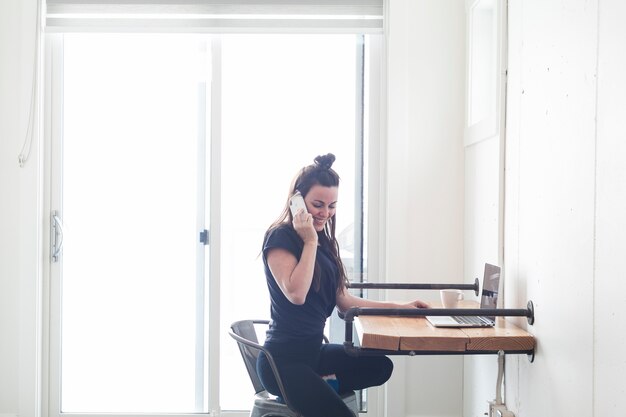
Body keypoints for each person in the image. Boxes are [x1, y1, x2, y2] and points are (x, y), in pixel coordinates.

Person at [256, 153, 429, 417]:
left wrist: (400, 307)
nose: (325, 213)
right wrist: (310, 241)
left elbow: (344, 300)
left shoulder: (324, 243)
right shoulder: (280, 237)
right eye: (317, 204)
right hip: (282, 362)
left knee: (380, 367)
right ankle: (315, 393)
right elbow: (296, 293)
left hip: (314, 353)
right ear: (297, 201)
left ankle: (319, 388)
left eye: (332, 206)